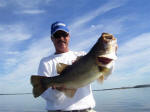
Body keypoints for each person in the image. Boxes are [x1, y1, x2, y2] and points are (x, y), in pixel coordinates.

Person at [37, 21, 114, 112]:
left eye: (64, 35)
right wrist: (58, 90)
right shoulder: (46, 62)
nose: (61, 38)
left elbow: (105, 75)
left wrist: (110, 60)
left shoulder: (82, 55)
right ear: (52, 38)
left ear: (69, 37)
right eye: (57, 36)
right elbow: (45, 94)